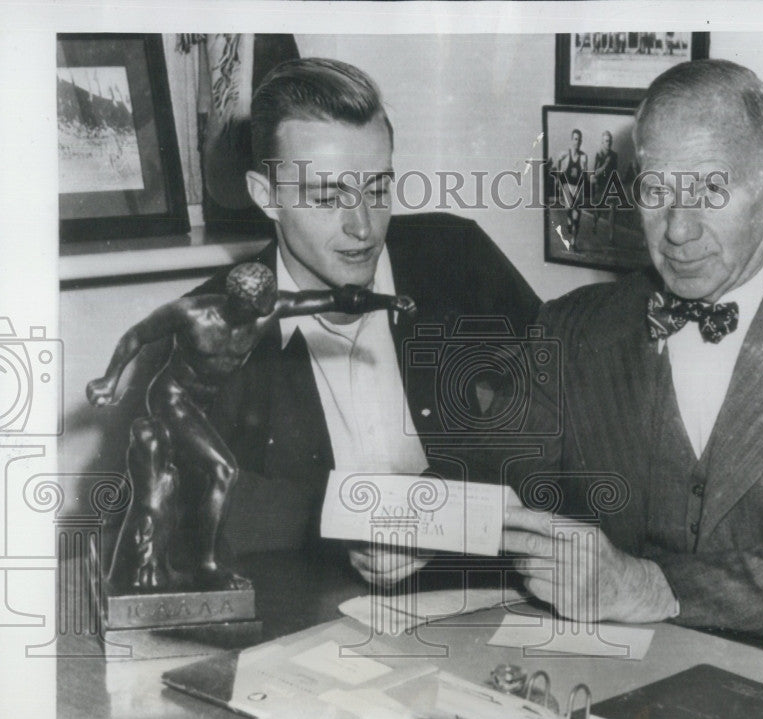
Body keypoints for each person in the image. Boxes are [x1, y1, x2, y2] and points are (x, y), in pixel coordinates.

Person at [501, 59, 763, 673]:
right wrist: (417, 531)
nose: (678, 229)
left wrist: (647, 585)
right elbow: (499, 482)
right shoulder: (569, 327)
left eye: (710, 189)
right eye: (655, 191)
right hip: (611, 678)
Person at [108, 58, 540, 588]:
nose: (361, 226)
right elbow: (160, 515)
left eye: (378, 188)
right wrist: (340, 522)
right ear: (266, 196)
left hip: (482, 605)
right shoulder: (210, 328)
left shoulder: (458, 257)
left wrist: (440, 507)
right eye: (328, 196)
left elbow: (563, 409)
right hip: (312, 633)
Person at [87, 263, 415, 590]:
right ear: (238, 301)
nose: (266, 310)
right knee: (224, 470)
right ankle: (206, 565)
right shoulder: (190, 313)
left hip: (203, 406)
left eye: (269, 302)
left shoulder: (270, 309)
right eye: (259, 304)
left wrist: (386, 302)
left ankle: (188, 560)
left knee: (192, 480)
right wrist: (109, 379)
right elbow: (135, 336)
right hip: (171, 399)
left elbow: (335, 299)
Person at [555, 129, 588, 250]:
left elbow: (584, 175)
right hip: (567, 187)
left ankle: (573, 242)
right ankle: (569, 220)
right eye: (575, 139)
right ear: (571, 140)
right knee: (569, 209)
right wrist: (559, 180)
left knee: (577, 216)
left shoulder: (583, 157)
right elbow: (558, 166)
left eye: (579, 140)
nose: (577, 142)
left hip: (578, 187)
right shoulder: (565, 155)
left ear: (581, 141)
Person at [590, 130, 619, 244]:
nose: (609, 143)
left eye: (610, 141)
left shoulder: (614, 155)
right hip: (600, 186)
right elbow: (595, 173)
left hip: (610, 186)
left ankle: (611, 237)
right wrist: (606, 164)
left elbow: (615, 171)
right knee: (599, 210)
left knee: (613, 209)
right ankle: (594, 222)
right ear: (602, 142)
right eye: (606, 141)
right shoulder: (599, 155)